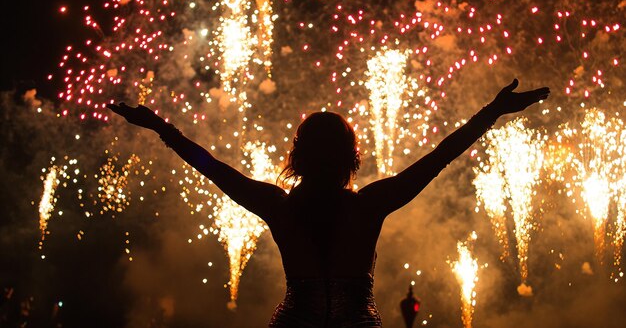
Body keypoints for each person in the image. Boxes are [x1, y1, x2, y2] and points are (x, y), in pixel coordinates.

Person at [107, 78, 549, 327]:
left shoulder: (277, 206)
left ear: (297, 156)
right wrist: (491, 112)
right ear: (351, 157)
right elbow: (441, 155)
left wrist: (158, 125)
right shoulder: (369, 205)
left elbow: (209, 165)